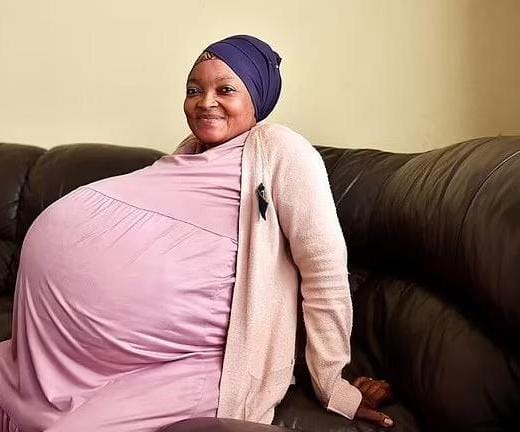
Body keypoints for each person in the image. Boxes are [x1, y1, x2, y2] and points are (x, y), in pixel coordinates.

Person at [0, 35, 393, 432]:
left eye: (225, 90)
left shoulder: (281, 149)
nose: (205, 102)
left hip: (202, 361)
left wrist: (333, 386)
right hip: (84, 352)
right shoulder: (188, 152)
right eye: (193, 90)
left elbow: (324, 271)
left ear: (257, 97)